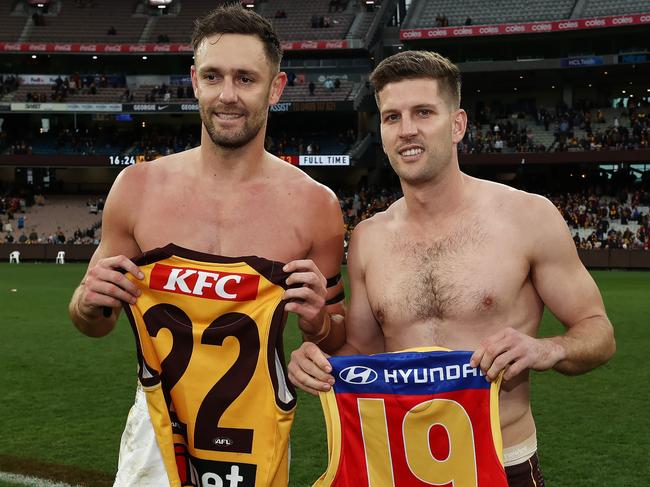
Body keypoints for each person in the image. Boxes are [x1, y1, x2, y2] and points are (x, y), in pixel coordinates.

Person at [288, 50, 615, 486]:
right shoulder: (368, 237)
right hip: (393, 462)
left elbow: (598, 332)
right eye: (391, 117)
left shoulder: (527, 217)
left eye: (423, 112)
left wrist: (548, 349)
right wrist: (316, 355)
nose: (407, 130)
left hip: (501, 461)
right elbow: (361, 354)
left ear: (457, 124)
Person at [68, 5, 345, 486]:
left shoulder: (315, 206)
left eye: (246, 78)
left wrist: (319, 322)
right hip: (154, 440)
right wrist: (89, 302)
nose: (227, 95)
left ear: (275, 88)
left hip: (255, 445)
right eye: (214, 77)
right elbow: (93, 320)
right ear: (194, 81)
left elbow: (339, 338)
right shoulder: (137, 188)